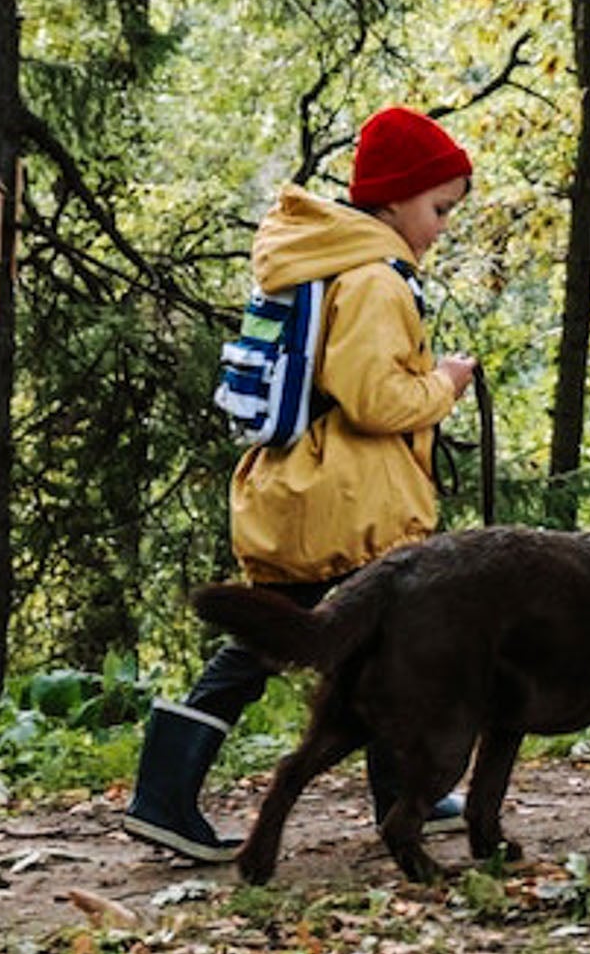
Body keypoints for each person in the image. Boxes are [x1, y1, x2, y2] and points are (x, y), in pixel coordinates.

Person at [123, 106, 478, 861]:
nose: (443, 225)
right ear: (393, 199)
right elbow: (375, 399)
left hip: (297, 489)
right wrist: (444, 383)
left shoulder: (322, 261)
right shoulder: (376, 280)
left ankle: (169, 788)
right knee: (380, 639)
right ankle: (398, 794)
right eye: (438, 207)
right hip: (349, 503)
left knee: (288, 642)